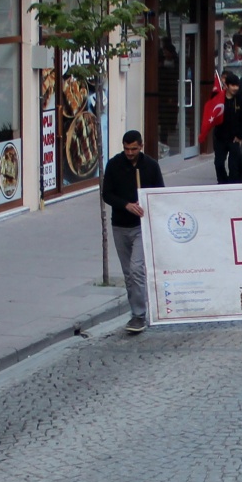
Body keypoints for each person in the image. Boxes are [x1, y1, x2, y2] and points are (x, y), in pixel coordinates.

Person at [101, 130, 164, 333]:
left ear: (141, 146)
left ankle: (139, 315)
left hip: (140, 226)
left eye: (134, 149)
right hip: (120, 225)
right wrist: (126, 205)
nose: (130, 153)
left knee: (137, 269)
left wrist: (145, 203)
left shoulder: (151, 166)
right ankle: (136, 310)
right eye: (126, 149)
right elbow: (107, 194)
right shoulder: (114, 165)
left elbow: (159, 193)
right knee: (129, 273)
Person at [213, 71, 242, 184]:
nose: (235, 88)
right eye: (232, 85)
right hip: (220, 137)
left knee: (234, 165)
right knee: (218, 163)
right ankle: (222, 183)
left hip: (234, 138)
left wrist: (240, 135)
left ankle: (234, 184)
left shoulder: (240, 99)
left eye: (237, 85)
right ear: (226, 86)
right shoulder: (219, 98)